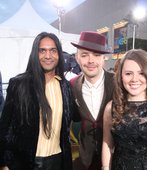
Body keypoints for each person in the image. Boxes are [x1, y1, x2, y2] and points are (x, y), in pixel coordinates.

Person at [0, 32, 77, 170]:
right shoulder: (19, 84)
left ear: (59, 54)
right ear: (35, 54)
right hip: (25, 163)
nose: (48, 56)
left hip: (59, 162)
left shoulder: (65, 86)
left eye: (53, 50)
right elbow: (5, 128)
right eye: (42, 50)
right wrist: (4, 163)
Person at [102, 49, 147, 170]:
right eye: (128, 73)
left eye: (141, 73)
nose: (134, 79)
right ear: (121, 76)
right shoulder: (111, 107)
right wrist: (105, 167)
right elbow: (107, 144)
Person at [70, 31, 114, 170]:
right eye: (84, 55)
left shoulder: (118, 83)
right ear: (77, 57)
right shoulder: (71, 85)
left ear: (103, 58)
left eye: (96, 55)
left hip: (115, 157)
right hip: (85, 158)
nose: (91, 61)